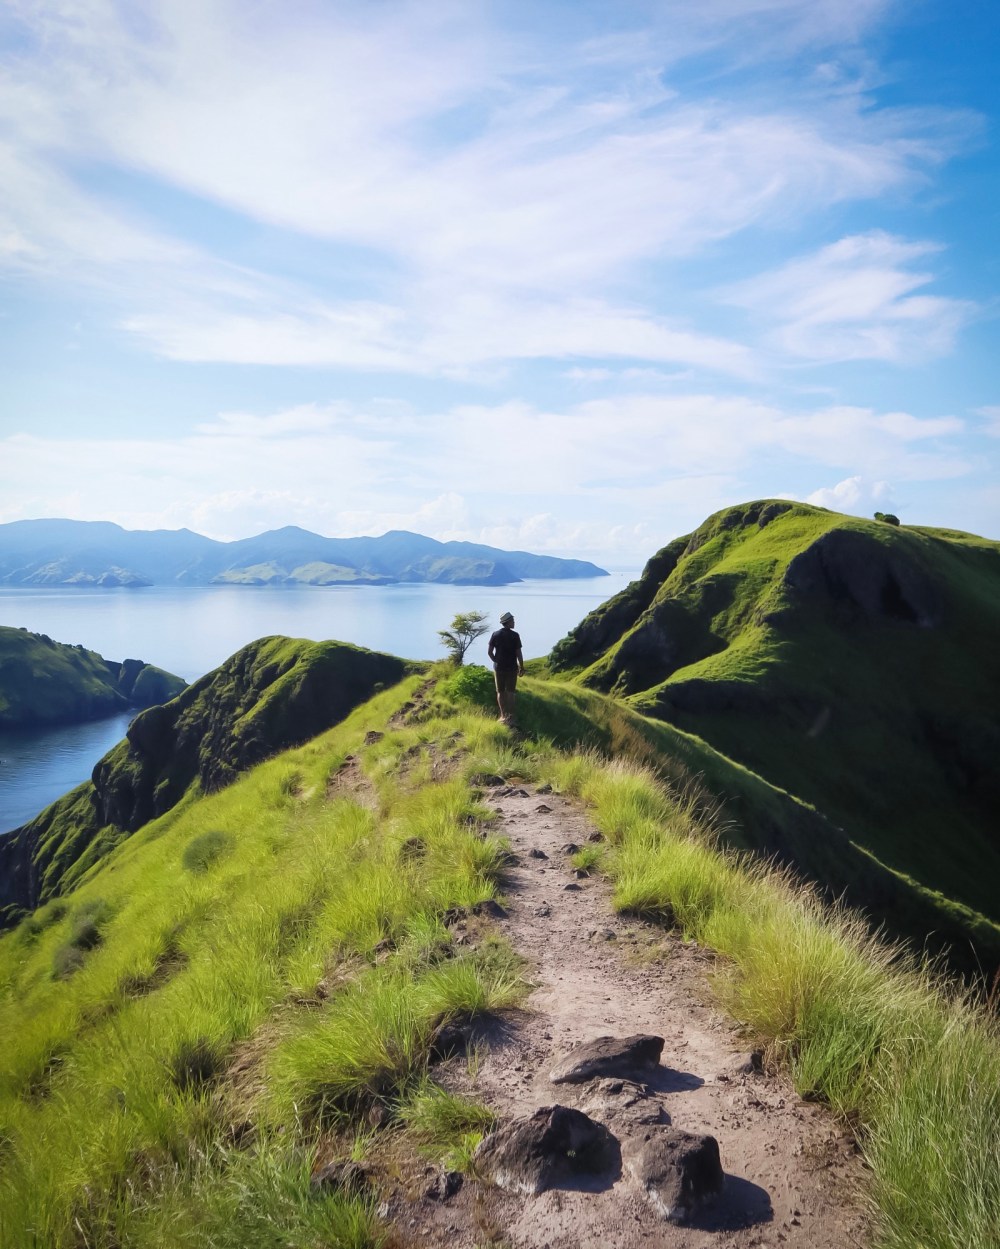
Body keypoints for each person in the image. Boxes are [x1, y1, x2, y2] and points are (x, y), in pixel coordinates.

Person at [487, 610, 524, 727]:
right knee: (511, 692)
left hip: (499, 668)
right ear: (508, 622)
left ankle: (503, 716)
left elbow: (489, 652)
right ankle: (511, 718)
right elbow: (519, 653)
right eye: (512, 620)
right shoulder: (515, 636)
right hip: (512, 668)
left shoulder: (495, 634)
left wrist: (496, 661)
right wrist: (521, 667)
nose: (514, 622)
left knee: (500, 692)